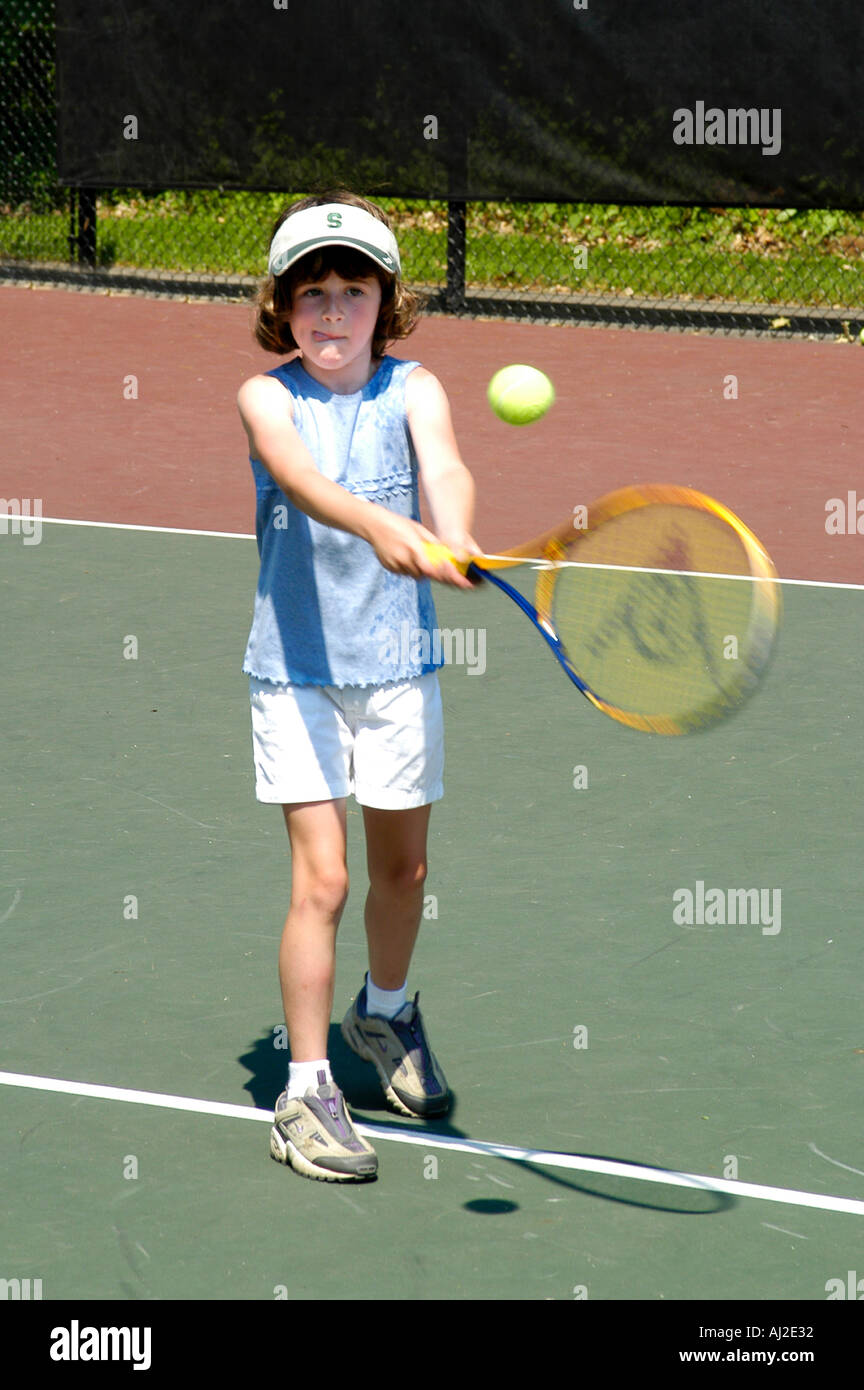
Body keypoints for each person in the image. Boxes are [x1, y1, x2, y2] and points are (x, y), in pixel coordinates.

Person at [237, 189, 480, 1182]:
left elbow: (449, 469)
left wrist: (452, 528)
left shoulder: (414, 386)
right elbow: (298, 479)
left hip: (395, 671)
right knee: (324, 877)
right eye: (311, 293)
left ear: (387, 301)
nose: (331, 312)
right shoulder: (268, 397)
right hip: (294, 673)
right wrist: (384, 528)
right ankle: (303, 1091)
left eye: (353, 290)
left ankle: (383, 1015)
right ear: (282, 307)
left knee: (404, 871)